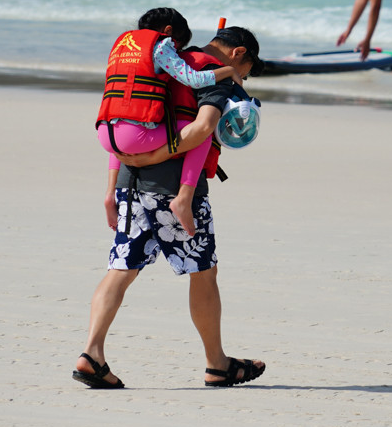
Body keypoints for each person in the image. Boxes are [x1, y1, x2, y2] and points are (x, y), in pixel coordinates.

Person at [73, 25, 267, 390]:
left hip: (129, 183)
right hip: (176, 191)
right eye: (247, 71)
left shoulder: (166, 60)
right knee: (203, 272)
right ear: (239, 54)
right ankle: (217, 364)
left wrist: (114, 184)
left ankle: (91, 354)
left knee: (120, 269)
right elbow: (204, 127)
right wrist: (160, 158)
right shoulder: (213, 73)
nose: (243, 79)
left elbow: (126, 118)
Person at [97, 8, 241, 237]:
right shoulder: (162, 46)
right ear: (168, 31)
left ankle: (108, 195)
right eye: (179, 46)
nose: (178, 52)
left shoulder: (122, 47)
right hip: (135, 137)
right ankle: (184, 198)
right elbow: (192, 79)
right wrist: (228, 70)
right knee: (201, 129)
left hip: (106, 134)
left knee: (125, 117)